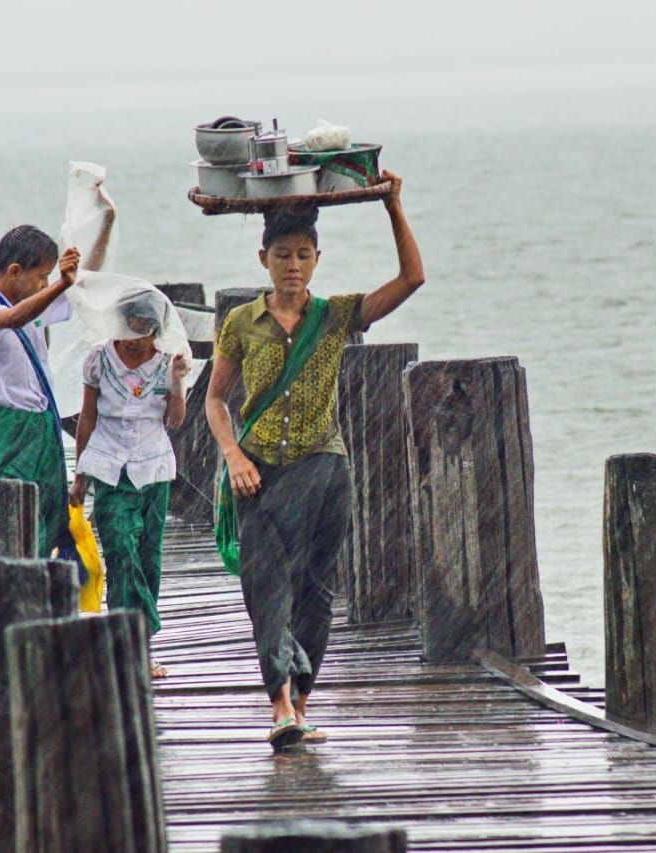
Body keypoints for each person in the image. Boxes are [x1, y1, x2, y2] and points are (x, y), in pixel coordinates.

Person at [204, 171, 425, 750]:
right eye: (282, 255)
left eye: (303, 255)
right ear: (264, 259)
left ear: (317, 259)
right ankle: (278, 705)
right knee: (265, 587)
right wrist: (232, 456)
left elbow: (412, 278)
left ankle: (299, 707)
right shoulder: (240, 323)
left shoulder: (335, 316)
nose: (293, 265)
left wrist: (392, 205)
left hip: (323, 469)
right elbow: (215, 400)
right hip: (256, 473)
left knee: (314, 590)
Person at [68, 187, 192, 679]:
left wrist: (179, 386)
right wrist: (79, 475)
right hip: (108, 465)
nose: (134, 346)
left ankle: (136, 645)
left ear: (154, 332)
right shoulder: (99, 360)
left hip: (154, 466)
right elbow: (88, 418)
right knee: (119, 544)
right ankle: (134, 631)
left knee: (149, 554)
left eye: (143, 337)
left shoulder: (167, 365)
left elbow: (175, 422)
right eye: (128, 333)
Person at [0, 225, 79, 558]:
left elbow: (79, 290)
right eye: (42, 277)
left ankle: (43, 579)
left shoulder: (34, 304)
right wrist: (60, 284)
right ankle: (21, 584)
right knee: (15, 510)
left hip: (42, 423)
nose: (45, 284)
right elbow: (12, 318)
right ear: (14, 272)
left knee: (51, 511)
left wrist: (102, 226)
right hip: (9, 425)